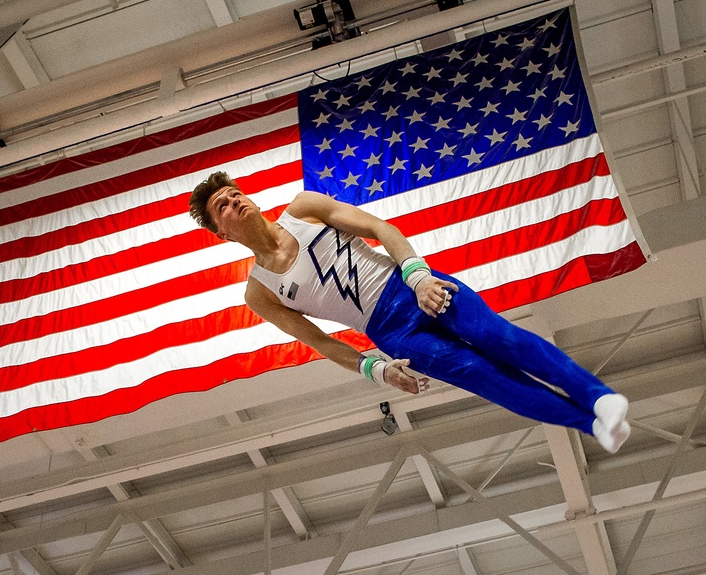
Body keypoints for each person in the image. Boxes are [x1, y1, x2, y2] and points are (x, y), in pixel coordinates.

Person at [188, 172, 631, 453]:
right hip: (391, 333)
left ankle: (600, 397)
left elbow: (381, 228)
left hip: (413, 286)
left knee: (500, 339)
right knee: (485, 378)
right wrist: (378, 372)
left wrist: (417, 277)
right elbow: (321, 342)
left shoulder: (303, 209)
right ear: (222, 232)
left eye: (235, 193)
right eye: (222, 206)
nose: (234, 202)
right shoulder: (259, 293)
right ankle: (592, 423)